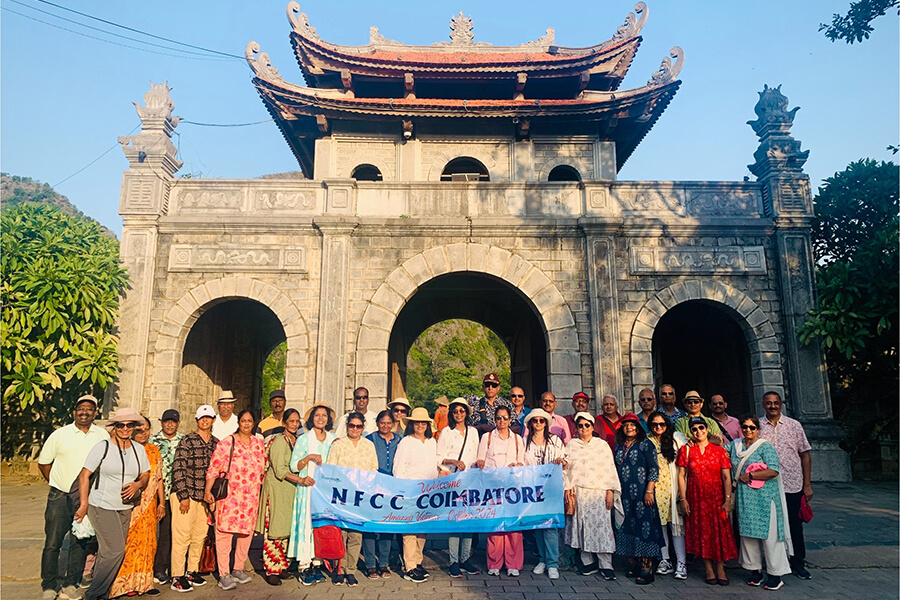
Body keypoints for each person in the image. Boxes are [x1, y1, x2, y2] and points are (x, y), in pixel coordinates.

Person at [74, 408, 151, 600]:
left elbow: (145, 474)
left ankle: (102, 592)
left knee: (107, 551)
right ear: (114, 427)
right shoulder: (103, 447)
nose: (125, 428)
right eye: (120, 425)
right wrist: (83, 504)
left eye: (129, 425)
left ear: (134, 427)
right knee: (115, 550)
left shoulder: (138, 449)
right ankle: (94, 594)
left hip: (125, 507)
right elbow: (84, 475)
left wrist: (138, 484)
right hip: (101, 505)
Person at [38, 394, 107, 600]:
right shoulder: (60, 434)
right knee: (53, 542)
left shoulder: (102, 435)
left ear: (95, 413)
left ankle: (70, 584)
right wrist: (57, 483)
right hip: (59, 497)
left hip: (86, 498)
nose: (85, 412)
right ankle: (49, 586)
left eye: (89, 409)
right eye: (81, 409)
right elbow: (44, 463)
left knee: (80, 542)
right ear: (74, 412)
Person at [204, 410, 266, 591]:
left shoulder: (258, 444)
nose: (246, 424)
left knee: (246, 534)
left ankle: (238, 568)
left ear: (254, 423)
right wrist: (208, 491)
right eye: (243, 421)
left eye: (250, 421)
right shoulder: (226, 443)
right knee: (224, 535)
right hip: (229, 498)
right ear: (238, 423)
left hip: (250, 498)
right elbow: (213, 469)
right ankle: (224, 573)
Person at [730, 415, 792, 591]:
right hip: (745, 497)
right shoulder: (735, 446)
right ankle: (754, 570)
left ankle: (775, 574)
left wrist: (750, 475)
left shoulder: (765, 446)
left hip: (765, 497)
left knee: (770, 535)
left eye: (752, 427)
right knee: (748, 534)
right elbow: (718, 449)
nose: (748, 430)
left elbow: (774, 470)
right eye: (745, 427)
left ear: (758, 429)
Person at [758, 390, 813, 580]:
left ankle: (798, 562)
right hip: (766, 485)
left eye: (776, 403)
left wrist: (807, 484)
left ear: (781, 404)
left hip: (792, 482)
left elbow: (805, 454)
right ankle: (772, 562)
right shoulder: (757, 426)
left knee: (794, 524)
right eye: (768, 403)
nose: (772, 406)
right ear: (763, 404)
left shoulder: (793, 425)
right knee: (770, 525)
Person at [677, 416, 737, 585]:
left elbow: (726, 477)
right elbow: (681, 476)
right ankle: (709, 569)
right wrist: (683, 499)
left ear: (707, 429)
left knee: (719, 532)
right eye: (694, 429)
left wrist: (727, 500)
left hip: (716, 497)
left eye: (701, 428)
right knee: (702, 532)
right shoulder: (686, 451)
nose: (698, 432)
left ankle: (721, 568)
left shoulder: (719, 451)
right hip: (696, 498)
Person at [109, 415, 164, 598]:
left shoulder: (154, 450)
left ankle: (145, 583)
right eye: (139, 430)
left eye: (146, 430)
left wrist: (162, 503)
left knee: (148, 543)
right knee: (130, 543)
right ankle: (125, 583)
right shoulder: (126, 450)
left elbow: (159, 479)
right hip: (131, 502)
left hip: (150, 505)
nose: (143, 433)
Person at [564, 412, 620, 581]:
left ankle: (606, 564)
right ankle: (588, 562)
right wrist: (568, 488)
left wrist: (610, 491)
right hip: (580, 492)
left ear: (592, 426)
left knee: (602, 527)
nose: (584, 428)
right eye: (580, 426)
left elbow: (609, 468)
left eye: (587, 425)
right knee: (582, 526)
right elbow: (567, 469)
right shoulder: (572, 445)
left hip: (599, 492)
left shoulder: (601, 445)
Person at [169, 405, 218, 593]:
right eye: (202, 418)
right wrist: (183, 495)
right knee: (182, 536)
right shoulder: (187, 440)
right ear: (197, 420)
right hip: (186, 494)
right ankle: (177, 575)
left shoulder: (216, 443)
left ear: (213, 420)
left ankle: (192, 570)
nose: (205, 421)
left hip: (204, 497)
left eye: (208, 417)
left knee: (199, 536)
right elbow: (179, 467)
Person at [325, 412, 378, 586]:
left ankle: (351, 570)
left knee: (356, 535)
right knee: (341, 534)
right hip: (342, 496)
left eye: (358, 426)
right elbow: (331, 469)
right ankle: (339, 570)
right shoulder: (338, 445)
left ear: (363, 427)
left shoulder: (369, 445)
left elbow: (374, 469)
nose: (355, 429)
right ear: (347, 426)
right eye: (352, 425)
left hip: (360, 497)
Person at [613, 413, 665, 585]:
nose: (629, 427)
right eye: (626, 425)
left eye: (632, 424)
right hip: (625, 494)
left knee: (645, 527)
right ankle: (634, 564)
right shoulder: (619, 446)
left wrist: (649, 490)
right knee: (627, 526)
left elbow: (653, 469)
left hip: (643, 493)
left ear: (638, 427)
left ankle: (647, 568)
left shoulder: (646, 444)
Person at [290, 403, 337, 586]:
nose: (320, 419)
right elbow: (294, 466)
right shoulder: (304, 439)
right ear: (311, 418)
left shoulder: (333, 440)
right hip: (308, 489)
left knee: (321, 525)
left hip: (325, 491)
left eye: (324, 415)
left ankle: (317, 563)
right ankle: (304, 565)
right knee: (307, 525)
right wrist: (308, 457)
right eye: (317, 415)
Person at [475, 405, 525, 577]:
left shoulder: (517, 439)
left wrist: (517, 465)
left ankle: (513, 564)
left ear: (510, 420)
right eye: (498, 418)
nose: (502, 421)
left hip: (512, 488)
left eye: (505, 418)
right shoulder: (487, 437)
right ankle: (494, 562)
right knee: (495, 526)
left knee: (513, 526)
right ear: (494, 419)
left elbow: (523, 462)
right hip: (493, 487)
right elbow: (480, 460)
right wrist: (481, 464)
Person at [255, 408, 303, 586]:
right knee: (273, 531)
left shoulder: (296, 441)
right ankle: (271, 569)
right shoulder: (278, 441)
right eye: (291, 421)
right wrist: (300, 480)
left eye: (297, 421)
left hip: (289, 491)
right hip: (276, 490)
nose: (294, 424)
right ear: (284, 423)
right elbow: (279, 470)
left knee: (285, 530)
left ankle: (282, 566)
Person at [392, 407, 439, 583]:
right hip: (410, 491)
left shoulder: (432, 442)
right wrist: (402, 490)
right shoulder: (406, 442)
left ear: (428, 425)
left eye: (423, 423)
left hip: (428, 492)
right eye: (417, 422)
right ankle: (409, 566)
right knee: (409, 530)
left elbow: (434, 465)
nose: (420, 425)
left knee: (422, 530)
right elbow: (398, 467)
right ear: (412, 424)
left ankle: (418, 561)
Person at [436, 398, 481, 578]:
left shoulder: (473, 432)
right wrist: (453, 461)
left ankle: (465, 558)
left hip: (470, 479)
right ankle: (453, 560)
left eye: (462, 411)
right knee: (455, 520)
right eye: (455, 411)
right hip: (453, 480)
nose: (459, 414)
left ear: (466, 413)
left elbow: (476, 455)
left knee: (468, 521)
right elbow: (439, 456)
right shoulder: (447, 432)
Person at [646, 412, 688, 580]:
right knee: (660, 526)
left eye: (662, 424)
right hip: (656, 489)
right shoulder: (647, 441)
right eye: (655, 424)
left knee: (676, 527)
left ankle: (681, 562)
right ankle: (665, 559)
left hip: (674, 488)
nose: (658, 427)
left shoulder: (676, 439)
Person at [363, 410, 401, 579]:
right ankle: (370, 564)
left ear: (393, 424)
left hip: (391, 488)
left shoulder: (399, 440)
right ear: (377, 423)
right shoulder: (370, 440)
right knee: (370, 526)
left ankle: (384, 562)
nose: (385, 426)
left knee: (387, 525)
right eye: (382, 422)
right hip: (372, 487)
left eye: (388, 423)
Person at [149, 409, 183, 585]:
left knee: (169, 532)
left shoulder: (184, 441)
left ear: (178, 423)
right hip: (154, 494)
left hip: (175, 494)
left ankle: (164, 568)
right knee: (151, 532)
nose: (170, 425)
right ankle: (150, 567)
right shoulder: (152, 441)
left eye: (173, 422)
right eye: (167, 421)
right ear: (161, 423)